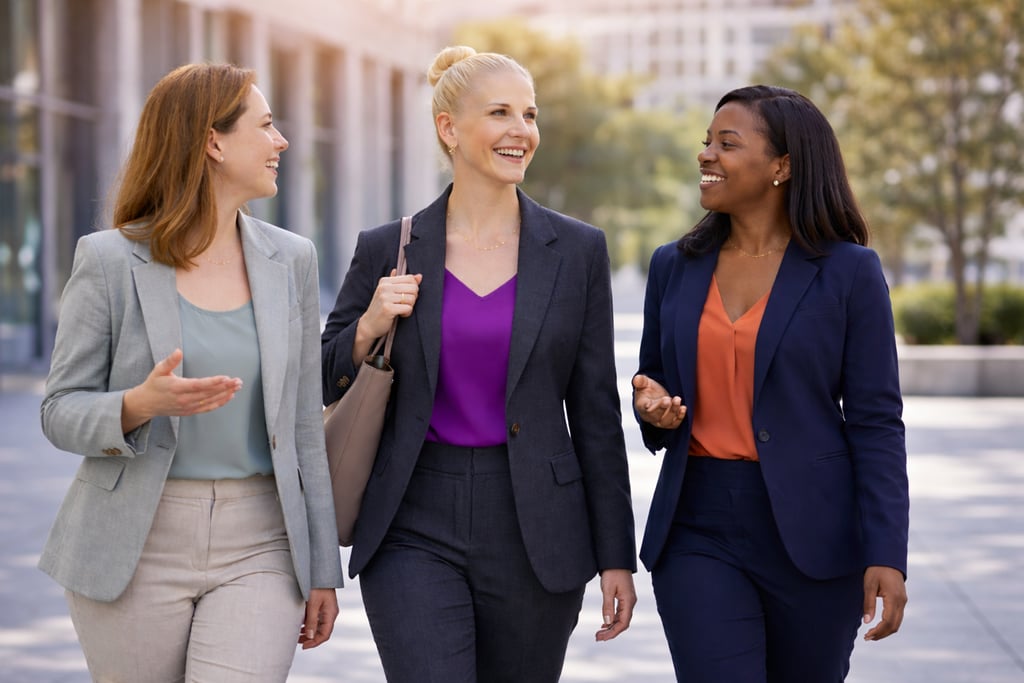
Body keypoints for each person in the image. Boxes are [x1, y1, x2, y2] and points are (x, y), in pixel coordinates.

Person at [321, 45, 637, 682]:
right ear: (449, 128)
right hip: (412, 514)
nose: (522, 131)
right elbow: (320, 375)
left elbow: (597, 414)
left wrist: (616, 557)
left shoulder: (577, 252)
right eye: (500, 113)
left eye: (529, 113)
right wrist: (370, 325)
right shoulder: (389, 248)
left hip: (536, 526)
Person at [38, 63, 343, 682]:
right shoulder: (108, 260)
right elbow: (59, 409)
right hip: (135, 541)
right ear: (213, 141)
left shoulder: (293, 260)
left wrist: (321, 567)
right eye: (265, 125)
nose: (281, 141)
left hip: (261, 537)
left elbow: (305, 429)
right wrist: (136, 404)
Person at [632, 84, 909, 682]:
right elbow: (651, 377)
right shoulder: (673, 265)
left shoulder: (848, 272)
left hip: (814, 537)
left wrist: (887, 552)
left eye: (727, 144)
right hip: (697, 523)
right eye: (707, 142)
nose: (707, 154)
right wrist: (653, 408)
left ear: (782, 165)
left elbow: (875, 421)